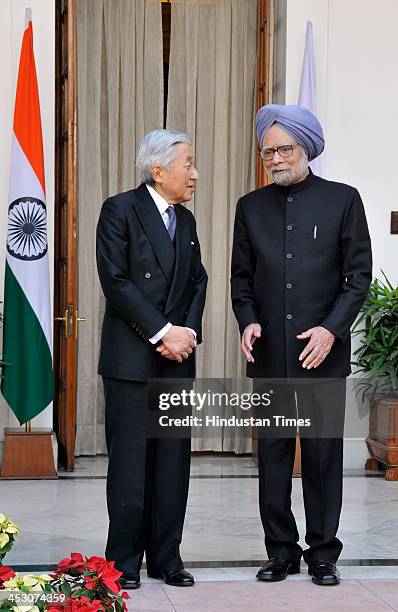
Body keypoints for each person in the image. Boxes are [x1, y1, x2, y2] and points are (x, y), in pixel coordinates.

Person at [231, 104, 372, 586]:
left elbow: (358, 279)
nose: (274, 158)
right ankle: (280, 551)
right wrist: (247, 321)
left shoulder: (343, 200)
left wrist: (331, 329)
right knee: (272, 457)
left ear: (305, 148)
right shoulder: (249, 207)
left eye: (284, 148)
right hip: (271, 355)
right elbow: (241, 278)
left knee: (321, 456)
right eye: (267, 150)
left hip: (322, 355)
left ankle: (323, 553)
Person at [96, 129, 207, 589]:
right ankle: (123, 561)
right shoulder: (119, 210)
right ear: (158, 171)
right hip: (132, 362)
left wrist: (187, 334)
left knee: (172, 463)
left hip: (176, 360)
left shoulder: (187, 220)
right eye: (188, 164)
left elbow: (198, 281)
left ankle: (167, 557)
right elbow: (117, 282)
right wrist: (163, 332)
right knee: (130, 464)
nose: (195, 174)